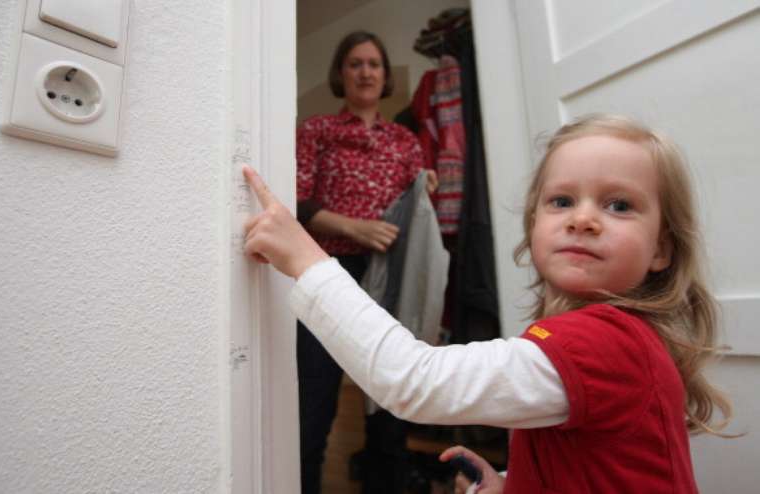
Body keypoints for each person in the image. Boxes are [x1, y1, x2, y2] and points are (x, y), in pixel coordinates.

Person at [243, 113, 733, 493]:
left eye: (619, 205)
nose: (582, 219)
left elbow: (414, 382)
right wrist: (513, 482)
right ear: (535, 223)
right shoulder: (606, 337)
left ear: (662, 249)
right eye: (562, 201)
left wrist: (306, 259)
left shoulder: (603, 341)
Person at [294, 30, 437, 494]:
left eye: (374, 64)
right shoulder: (316, 130)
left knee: (391, 404)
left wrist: (425, 189)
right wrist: (355, 228)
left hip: (389, 278)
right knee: (314, 404)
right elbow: (296, 201)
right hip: (330, 274)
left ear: (385, 74)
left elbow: (415, 207)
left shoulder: (405, 140)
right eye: (355, 63)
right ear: (341, 73)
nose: (365, 72)